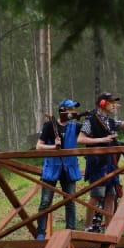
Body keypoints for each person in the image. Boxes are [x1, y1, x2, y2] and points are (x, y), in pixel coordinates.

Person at [77, 92, 124, 232]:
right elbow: (80, 139)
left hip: (111, 164)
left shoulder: (111, 122)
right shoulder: (90, 120)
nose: (114, 106)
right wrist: (101, 140)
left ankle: (110, 229)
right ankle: (88, 228)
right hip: (97, 164)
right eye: (111, 103)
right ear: (102, 103)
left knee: (111, 195)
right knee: (96, 194)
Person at [35, 99, 83, 240]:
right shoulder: (50, 125)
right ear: (63, 110)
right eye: (71, 109)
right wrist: (53, 147)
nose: (74, 112)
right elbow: (39, 146)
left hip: (69, 168)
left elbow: (88, 133)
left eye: (74, 109)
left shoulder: (75, 126)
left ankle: (71, 233)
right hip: (52, 168)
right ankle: (40, 234)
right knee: (45, 202)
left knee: (70, 201)